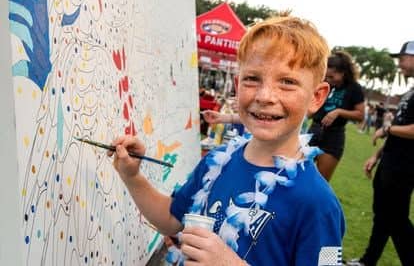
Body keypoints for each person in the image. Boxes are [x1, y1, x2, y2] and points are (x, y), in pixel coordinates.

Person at [109, 16, 345, 266]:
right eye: (252, 78)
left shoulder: (321, 204)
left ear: (317, 97)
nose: (265, 96)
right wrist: (132, 176)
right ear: (237, 84)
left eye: (287, 82)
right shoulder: (216, 162)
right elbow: (171, 219)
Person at [346, 41, 414, 266]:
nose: (399, 63)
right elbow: (401, 128)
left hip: (405, 167)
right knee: (383, 215)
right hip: (391, 162)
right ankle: (368, 261)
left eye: (403, 58)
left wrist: (387, 129)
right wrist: (377, 156)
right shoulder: (410, 92)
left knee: (397, 219)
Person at [308, 51, 365, 181]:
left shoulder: (354, 88)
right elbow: (312, 109)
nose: (328, 79)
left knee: (320, 181)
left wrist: (339, 111)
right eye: (326, 76)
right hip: (313, 131)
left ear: (343, 73)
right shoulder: (324, 84)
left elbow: (360, 115)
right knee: (297, 174)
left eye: (331, 76)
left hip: (333, 137)